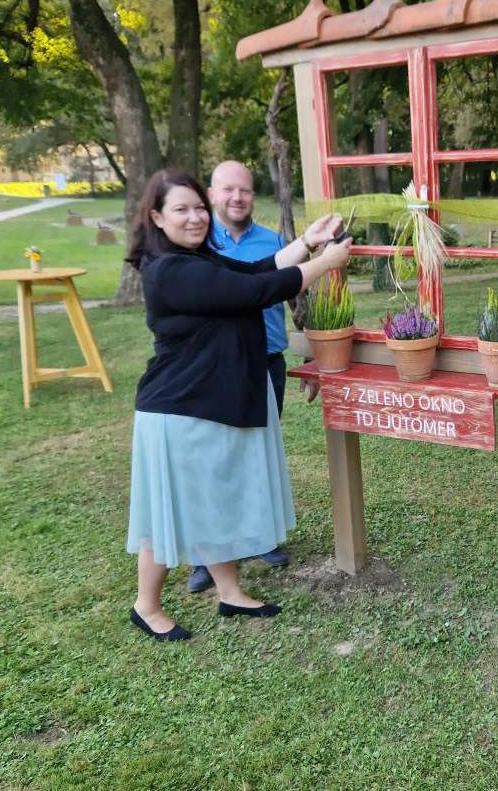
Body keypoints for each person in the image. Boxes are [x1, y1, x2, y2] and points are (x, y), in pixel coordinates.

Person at [124, 168, 351, 641]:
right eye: (180, 210)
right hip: (178, 408)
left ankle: (229, 591)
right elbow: (256, 292)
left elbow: (258, 271)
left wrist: (307, 243)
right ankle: (146, 606)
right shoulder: (169, 271)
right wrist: (326, 264)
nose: (194, 218)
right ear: (156, 217)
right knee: (172, 510)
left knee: (217, 499)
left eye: (197, 209)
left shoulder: (200, 259)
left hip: (211, 400)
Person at [184, 160, 326, 593]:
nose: (237, 198)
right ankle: (206, 556)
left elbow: (294, 301)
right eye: (228, 190)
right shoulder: (198, 244)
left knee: (258, 453)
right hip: (217, 366)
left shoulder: (274, 241)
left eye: (244, 190)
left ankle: (260, 537)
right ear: (211, 194)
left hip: (266, 360)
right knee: (213, 461)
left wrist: (316, 353)